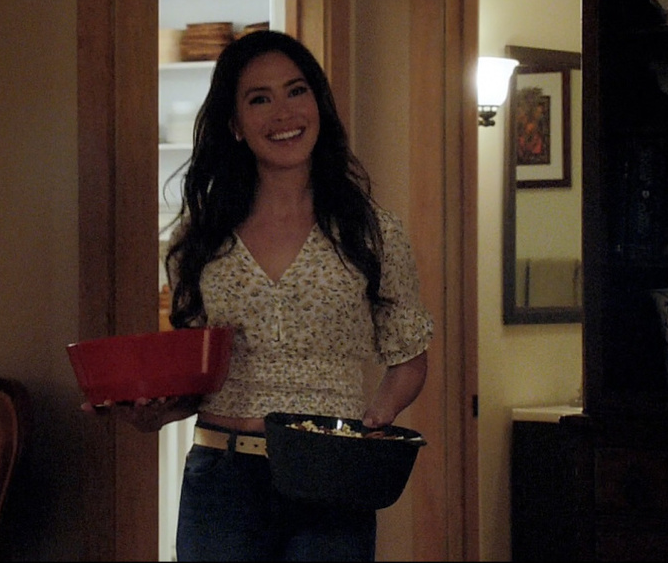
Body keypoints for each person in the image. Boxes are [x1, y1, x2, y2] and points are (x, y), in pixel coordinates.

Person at [85, 29, 434, 562]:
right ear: (235, 124)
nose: (283, 113)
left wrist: (372, 422)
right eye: (259, 99)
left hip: (331, 479)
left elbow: (408, 357)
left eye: (296, 91)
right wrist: (148, 412)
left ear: (318, 104)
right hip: (221, 481)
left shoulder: (373, 233)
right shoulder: (199, 239)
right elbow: (196, 377)